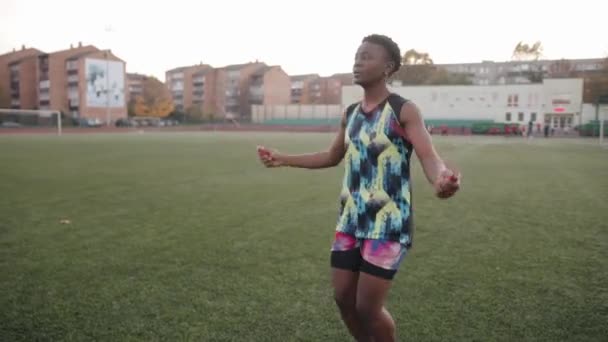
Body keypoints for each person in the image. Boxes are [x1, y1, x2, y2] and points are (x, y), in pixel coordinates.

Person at [256, 34, 461, 342]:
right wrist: (282, 158)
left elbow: (429, 157)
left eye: (367, 56)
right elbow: (330, 156)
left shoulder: (403, 110)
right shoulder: (350, 113)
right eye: (356, 56)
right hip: (351, 219)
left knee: (367, 307)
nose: (357, 61)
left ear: (388, 67)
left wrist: (442, 178)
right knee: (343, 299)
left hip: (388, 223)